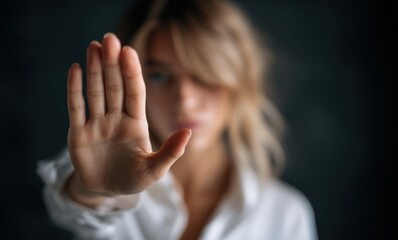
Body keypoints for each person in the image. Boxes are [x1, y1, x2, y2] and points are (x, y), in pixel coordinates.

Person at [37, 0, 318, 239]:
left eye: (203, 74)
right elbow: (72, 209)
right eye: (160, 76)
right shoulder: (113, 175)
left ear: (239, 82)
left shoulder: (285, 214)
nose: (185, 100)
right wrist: (94, 192)